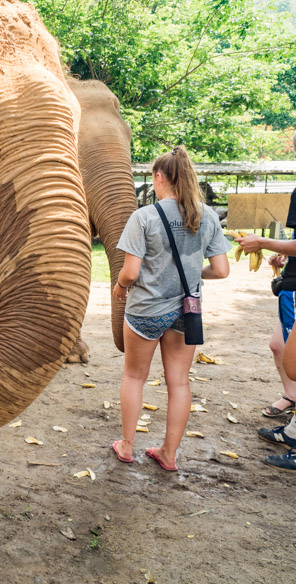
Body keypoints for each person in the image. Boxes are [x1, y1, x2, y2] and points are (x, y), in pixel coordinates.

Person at [111, 146, 230, 471]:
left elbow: (131, 272)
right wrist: (194, 274)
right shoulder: (207, 216)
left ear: (160, 177)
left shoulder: (144, 217)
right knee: (179, 383)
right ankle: (169, 453)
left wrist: (120, 287)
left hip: (145, 310)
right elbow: (221, 270)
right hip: (186, 311)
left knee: (134, 377)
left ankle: (126, 446)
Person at [238, 188, 296, 471]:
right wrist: (286, 260)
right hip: (290, 284)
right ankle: (293, 427)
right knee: (278, 346)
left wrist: (262, 242)